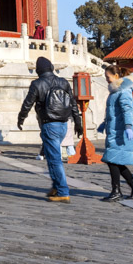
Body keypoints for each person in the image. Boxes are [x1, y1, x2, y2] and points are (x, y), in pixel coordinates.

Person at [17, 56, 82, 203]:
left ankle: (63, 191)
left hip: (49, 124)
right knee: (52, 158)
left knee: (55, 159)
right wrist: (78, 122)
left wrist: (21, 118)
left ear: (38, 70)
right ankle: (56, 186)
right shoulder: (63, 82)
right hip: (64, 123)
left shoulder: (37, 83)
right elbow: (73, 103)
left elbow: (28, 103)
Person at [99, 66, 133, 201]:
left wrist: (129, 126)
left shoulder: (123, 91)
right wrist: (104, 123)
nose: (107, 79)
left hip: (121, 131)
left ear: (116, 76)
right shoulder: (115, 91)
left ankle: (116, 190)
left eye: (108, 77)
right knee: (116, 161)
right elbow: (113, 112)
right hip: (114, 130)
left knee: (112, 161)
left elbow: (127, 110)